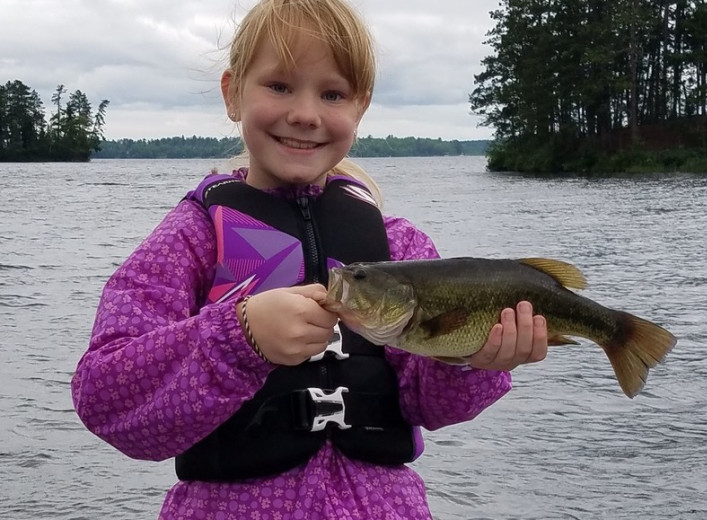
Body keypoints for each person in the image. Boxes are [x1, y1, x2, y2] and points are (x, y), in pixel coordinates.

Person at [71, 0, 549, 518]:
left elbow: (424, 402)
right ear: (233, 94)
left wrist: (473, 362)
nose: (305, 113)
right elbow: (107, 400)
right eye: (279, 86)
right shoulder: (191, 239)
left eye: (332, 93)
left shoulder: (399, 247)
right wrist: (239, 337)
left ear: (359, 110)